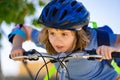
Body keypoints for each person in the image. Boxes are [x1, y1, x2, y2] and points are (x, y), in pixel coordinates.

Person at [8, 0, 120, 80]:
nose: (57, 41)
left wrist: (114, 48)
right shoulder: (48, 42)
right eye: (52, 33)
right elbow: (21, 28)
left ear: (78, 34)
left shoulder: (95, 39)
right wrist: (17, 46)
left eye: (64, 34)